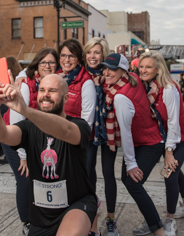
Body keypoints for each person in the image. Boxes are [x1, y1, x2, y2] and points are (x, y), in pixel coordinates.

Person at [0, 74, 97, 236]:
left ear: (66, 98)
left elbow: (64, 131)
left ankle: (91, 225)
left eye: (52, 90)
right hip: (41, 216)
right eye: (42, 90)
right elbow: (2, 135)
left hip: (76, 205)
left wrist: (25, 109)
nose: (45, 94)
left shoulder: (79, 125)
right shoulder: (28, 127)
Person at [98, 53, 167, 236]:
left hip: (150, 142)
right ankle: (153, 220)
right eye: (105, 68)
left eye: (112, 69)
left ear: (123, 70)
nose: (107, 72)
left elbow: (126, 133)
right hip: (142, 141)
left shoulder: (119, 97)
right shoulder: (133, 78)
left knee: (133, 183)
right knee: (129, 182)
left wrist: (131, 163)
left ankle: (159, 230)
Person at [139, 52, 184, 236]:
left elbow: (173, 122)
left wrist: (169, 151)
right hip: (166, 134)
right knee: (176, 171)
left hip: (182, 134)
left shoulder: (169, 89)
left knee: (170, 173)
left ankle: (170, 219)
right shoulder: (148, 87)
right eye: (141, 66)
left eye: (148, 67)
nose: (144, 70)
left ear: (158, 69)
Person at [6, 51, 59, 235]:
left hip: (38, 139)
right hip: (16, 137)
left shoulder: (56, 82)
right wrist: (23, 155)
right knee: (25, 179)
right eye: (43, 62)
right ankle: (27, 222)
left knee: (41, 178)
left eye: (52, 62)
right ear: (36, 65)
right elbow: (16, 118)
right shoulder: (26, 84)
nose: (47, 66)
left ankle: (42, 216)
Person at [83, 38, 118, 236]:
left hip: (108, 130)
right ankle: (91, 218)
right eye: (89, 52)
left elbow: (129, 79)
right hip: (88, 131)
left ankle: (111, 219)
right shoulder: (81, 75)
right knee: (88, 173)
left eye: (96, 52)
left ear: (103, 55)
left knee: (108, 173)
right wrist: (20, 76)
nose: (92, 56)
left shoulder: (110, 74)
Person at [57, 39, 96, 126]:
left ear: (78, 59)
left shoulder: (86, 82)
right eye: (63, 55)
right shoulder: (56, 75)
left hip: (72, 134)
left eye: (72, 56)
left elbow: (87, 120)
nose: (66, 60)